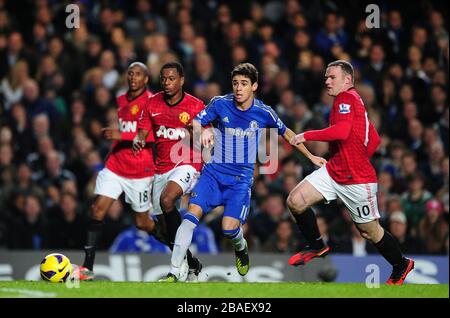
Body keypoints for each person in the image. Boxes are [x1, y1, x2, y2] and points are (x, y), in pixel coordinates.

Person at [158, 62, 326, 282]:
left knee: (228, 229)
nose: (238, 88)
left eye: (244, 83)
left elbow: (288, 134)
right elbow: (196, 122)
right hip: (213, 174)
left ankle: (240, 246)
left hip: (239, 181)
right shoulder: (220, 103)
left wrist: (311, 156)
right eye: (235, 83)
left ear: (254, 86)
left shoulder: (264, 112)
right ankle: (174, 271)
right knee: (190, 217)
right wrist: (202, 132)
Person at [288, 60, 415, 285]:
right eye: (326, 77)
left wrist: (306, 135)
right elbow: (373, 138)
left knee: (370, 232)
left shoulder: (346, 98)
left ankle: (401, 265)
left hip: (357, 179)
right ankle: (317, 245)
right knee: (296, 201)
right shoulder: (355, 102)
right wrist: (353, 156)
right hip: (334, 169)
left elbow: (342, 131)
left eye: (332, 77)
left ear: (347, 80)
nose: (326, 81)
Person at [77, 62, 168, 280]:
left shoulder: (153, 102)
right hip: (116, 165)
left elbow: (157, 135)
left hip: (140, 170)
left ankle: (183, 254)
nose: (133, 77)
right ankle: (87, 268)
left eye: (138, 74)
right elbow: (127, 128)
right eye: (130, 74)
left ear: (146, 79)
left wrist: (122, 136)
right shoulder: (120, 99)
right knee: (97, 209)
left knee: (143, 223)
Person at [133, 62, 205, 281]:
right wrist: (139, 141)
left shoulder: (195, 105)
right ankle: (191, 262)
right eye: (163, 79)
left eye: (171, 79)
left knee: (167, 200)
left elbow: (205, 136)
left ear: (181, 80)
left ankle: (177, 268)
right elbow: (143, 132)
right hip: (160, 168)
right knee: (164, 228)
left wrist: (200, 135)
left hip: (188, 164)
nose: (166, 83)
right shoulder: (152, 103)